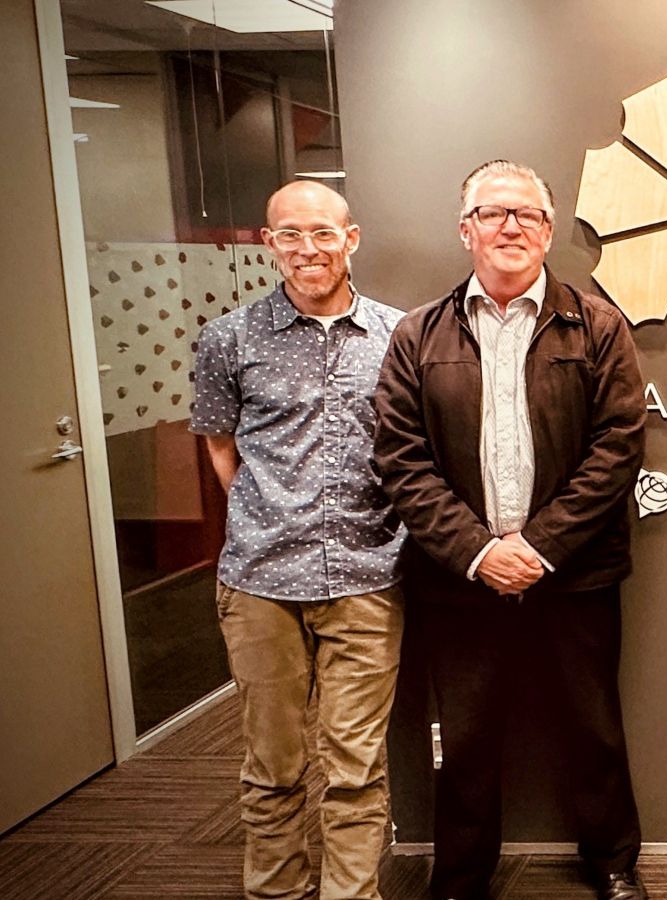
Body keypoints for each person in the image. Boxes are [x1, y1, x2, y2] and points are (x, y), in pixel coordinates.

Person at [373, 160, 648, 900]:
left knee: (592, 730)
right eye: (492, 214)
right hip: (458, 582)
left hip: (576, 575)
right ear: (466, 231)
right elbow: (401, 459)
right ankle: (461, 876)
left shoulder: (597, 326)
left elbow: (618, 446)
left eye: (526, 214)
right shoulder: (417, 334)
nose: (510, 227)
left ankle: (614, 864)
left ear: (550, 231)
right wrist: (476, 552)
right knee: (463, 742)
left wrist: (539, 546)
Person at [190, 180, 405, 899]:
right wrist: (270, 515)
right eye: (290, 234)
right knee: (272, 766)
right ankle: (277, 893)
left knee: (356, 767)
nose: (307, 249)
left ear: (351, 238)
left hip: (368, 576)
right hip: (259, 583)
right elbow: (222, 449)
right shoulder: (229, 339)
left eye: (321, 233)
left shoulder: (398, 336)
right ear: (267, 241)